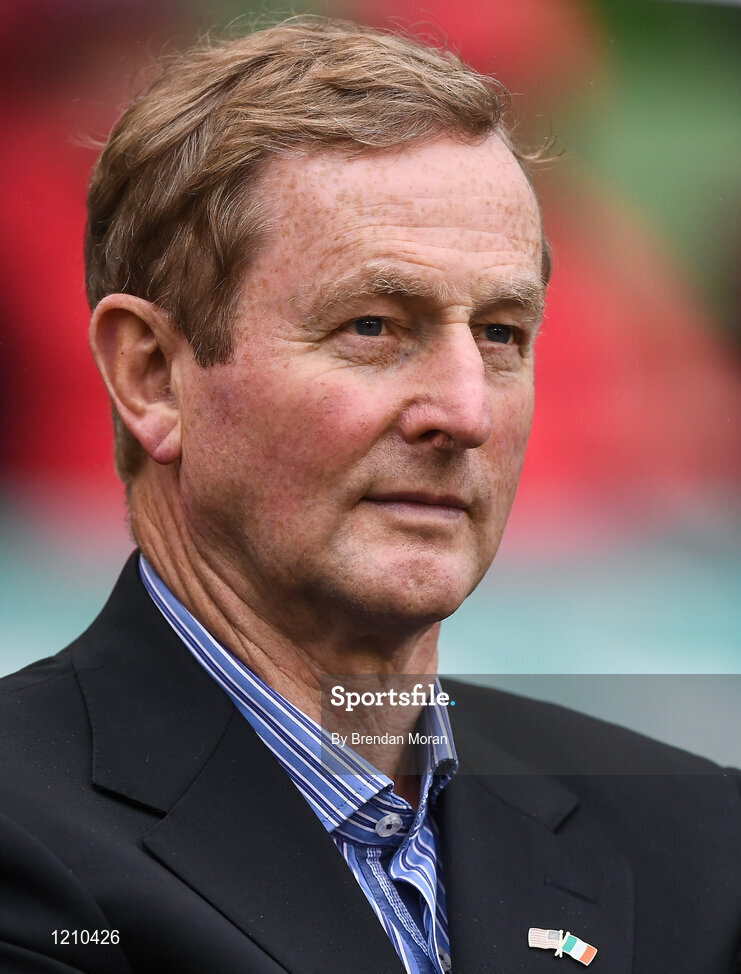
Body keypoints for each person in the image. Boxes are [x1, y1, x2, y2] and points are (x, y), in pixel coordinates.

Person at [0, 18, 739, 974]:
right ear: (151, 377)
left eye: (504, 335)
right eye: (373, 326)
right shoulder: (25, 844)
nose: (465, 411)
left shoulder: (690, 837)